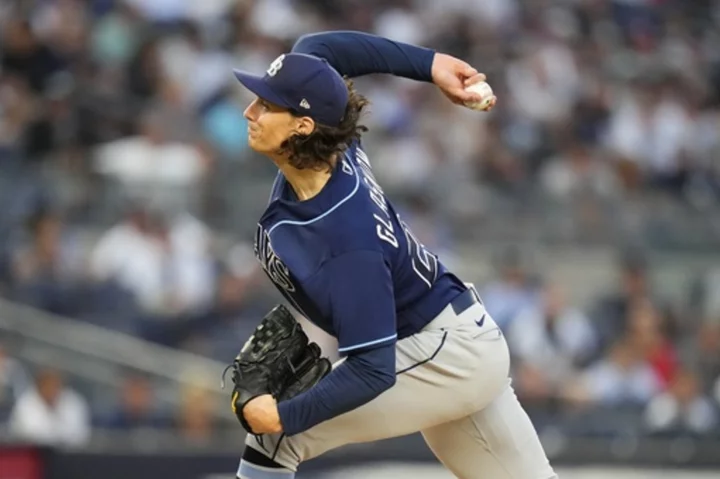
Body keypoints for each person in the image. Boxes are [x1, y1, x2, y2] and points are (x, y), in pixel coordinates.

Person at [231, 30, 556, 479]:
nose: (250, 110)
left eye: (266, 105)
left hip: (441, 352)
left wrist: (286, 417)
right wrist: (431, 64)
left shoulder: (346, 237)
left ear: (303, 126)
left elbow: (372, 370)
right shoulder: (331, 138)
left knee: (275, 441)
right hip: (456, 340)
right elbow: (318, 49)